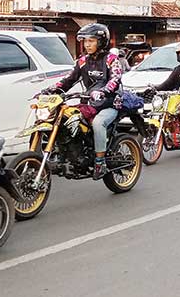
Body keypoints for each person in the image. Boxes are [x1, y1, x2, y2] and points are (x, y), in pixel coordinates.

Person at [45, 23, 123, 180]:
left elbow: (115, 79)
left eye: (91, 41)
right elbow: (69, 79)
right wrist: (50, 90)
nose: (87, 44)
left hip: (110, 102)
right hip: (89, 103)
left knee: (98, 123)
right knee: (67, 119)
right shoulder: (82, 61)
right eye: (85, 41)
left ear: (101, 41)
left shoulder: (111, 59)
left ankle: (100, 162)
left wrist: (104, 91)